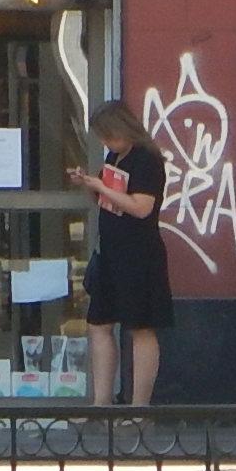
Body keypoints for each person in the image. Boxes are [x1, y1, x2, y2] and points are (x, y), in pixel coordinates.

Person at [70, 100, 174, 408]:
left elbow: (142, 208)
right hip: (111, 252)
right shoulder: (116, 155)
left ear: (123, 128)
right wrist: (89, 184)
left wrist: (100, 186)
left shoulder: (147, 159)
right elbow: (108, 196)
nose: (105, 143)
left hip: (139, 255)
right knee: (99, 324)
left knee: (140, 328)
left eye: (108, 136)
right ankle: (101, 404)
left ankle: (139, 406)